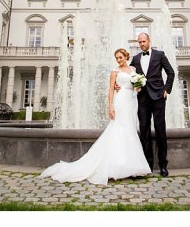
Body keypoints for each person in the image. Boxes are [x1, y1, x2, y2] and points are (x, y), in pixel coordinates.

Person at [40, 48, 151, 185]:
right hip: (120, 101)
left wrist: (138, 87)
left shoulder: (133, 70)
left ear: (126, 57)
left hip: (131, 102)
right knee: (119, 129)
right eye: (116, 58)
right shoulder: (115, 71)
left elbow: (135, 87)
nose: (118, 60)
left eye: (120, 57)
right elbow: (110, 89)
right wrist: (110, 106)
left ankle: (132, 166)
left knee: (130, 130)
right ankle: (117, 166)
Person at [128, 32, 175, 176]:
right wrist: (120, 84)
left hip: (158, 97)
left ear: (149, 41)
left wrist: (167, 89)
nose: (141, 44)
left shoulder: (160, 54)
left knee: (161, 130)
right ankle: (146, 166)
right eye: (139, 42)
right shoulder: (135, 59)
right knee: (144, 132)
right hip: (143, 99)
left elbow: (171, 72)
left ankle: (163, 165)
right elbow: (128, 75)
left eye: (143, 41)